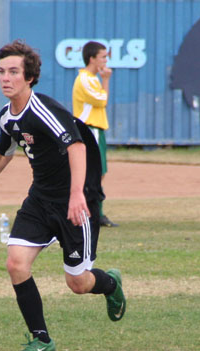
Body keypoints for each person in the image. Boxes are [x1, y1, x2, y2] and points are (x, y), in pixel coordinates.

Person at [0, 40, 126, 351]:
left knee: (78, 283)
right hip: (40, 199)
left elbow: (77, 147)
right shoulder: (6, 116)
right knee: (15, 264)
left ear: (30, 77)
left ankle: (110, 284)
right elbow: (4, 153)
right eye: (1, 72)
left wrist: (77, 195)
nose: (5, 78)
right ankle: (42, 341)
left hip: (77, 201)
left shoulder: (44, 110)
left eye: (13, 72)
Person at [72, 41, 118, 227]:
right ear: (92, 59)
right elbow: (101, 100)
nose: (106, 60)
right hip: (89, 129)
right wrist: (106, 80)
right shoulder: (84, 79)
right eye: (103, 57)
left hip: (97, 129)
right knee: (93, 172)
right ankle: (91, 214)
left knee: (99, 172)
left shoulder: (92, 79)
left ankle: (94, 212)